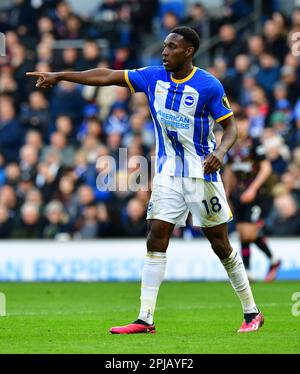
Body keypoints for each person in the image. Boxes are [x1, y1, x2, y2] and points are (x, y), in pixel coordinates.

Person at [27, 26, 263, 334]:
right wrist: (61, 75)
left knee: (220, 244)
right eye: (164, 46)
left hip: (201, 174)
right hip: (167, 173)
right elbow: (106, 75)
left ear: (188, 51)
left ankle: (251, 312)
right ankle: (145, 318)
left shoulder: (208, 86)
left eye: (172, 47)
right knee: (155, 237)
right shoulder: (153, 77)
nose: (164, 51)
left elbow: (231, 129)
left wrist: (221, 152)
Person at [223, 113, 281, 282]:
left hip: (257, 194)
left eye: (243, 123)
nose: (240, 126)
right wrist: (226, 191)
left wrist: (253, 189)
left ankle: (252, 268)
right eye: (237, 123)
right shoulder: (231, 143)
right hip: (238, 194)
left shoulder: (255, 143)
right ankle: (269, 262)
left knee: (248, 232)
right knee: (243, 233)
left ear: (248, 123)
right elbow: (229, 169)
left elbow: (266, 168)